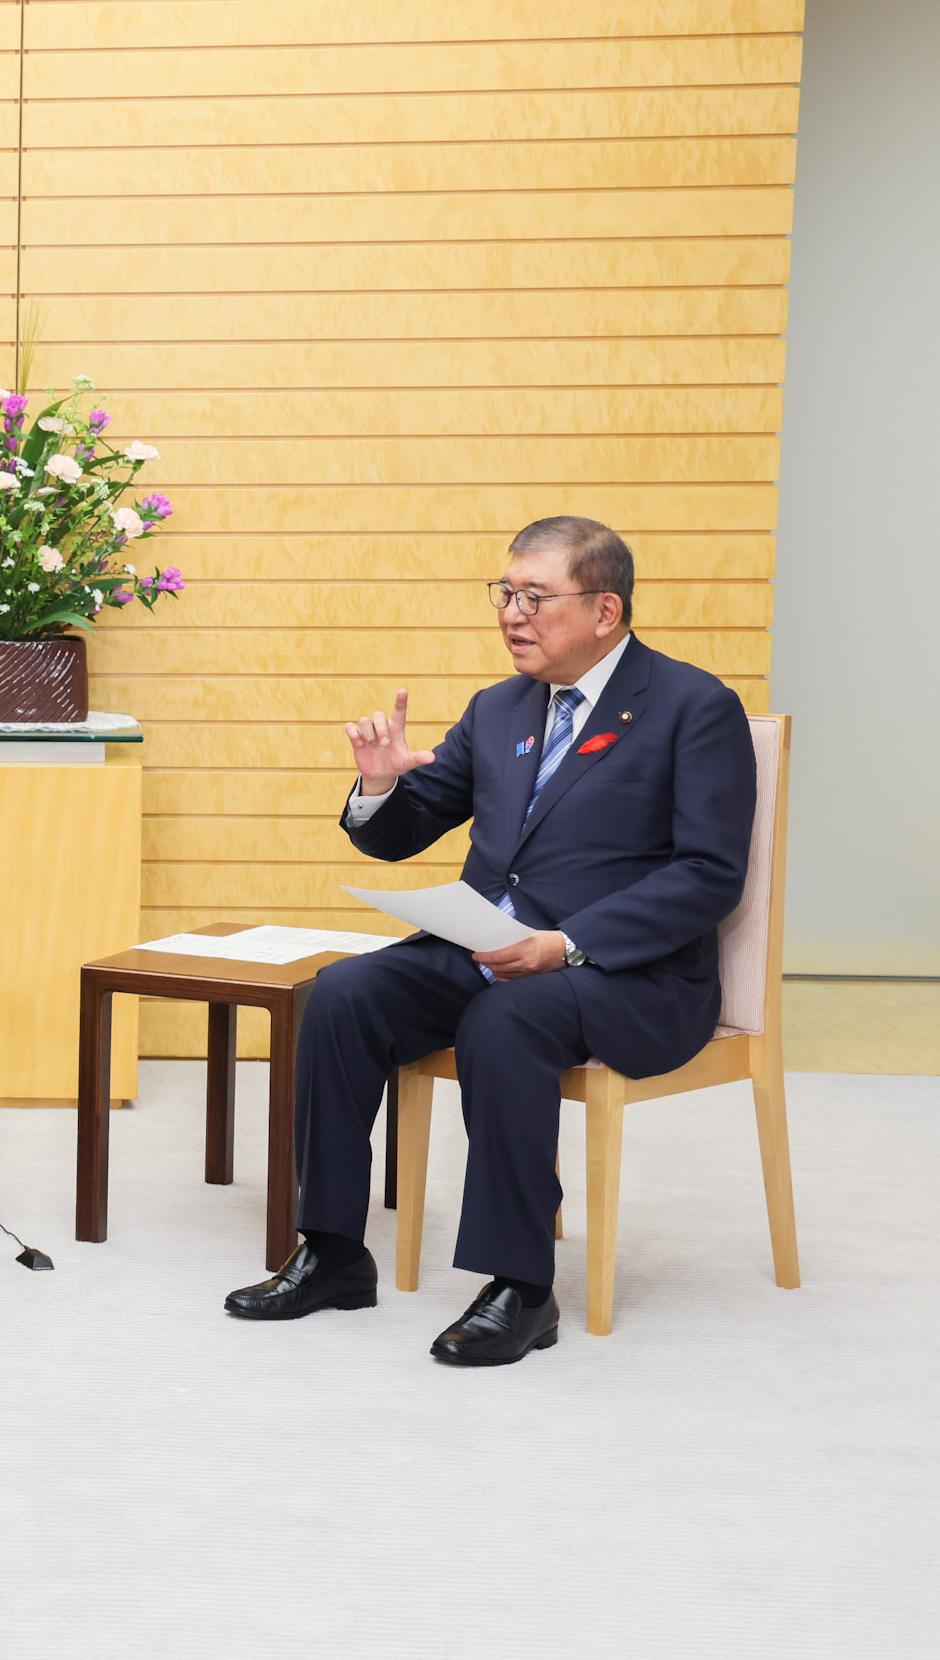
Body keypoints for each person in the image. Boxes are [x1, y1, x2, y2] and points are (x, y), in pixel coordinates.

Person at [225, 517, 755, 1364]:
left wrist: (567, 942)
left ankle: (521, 1286)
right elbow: (402, 832)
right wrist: (377, 786)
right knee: (343, 993)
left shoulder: (693, 706)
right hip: (487, 950)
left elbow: (707, 873)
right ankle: (331, 1250)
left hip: (628, 974)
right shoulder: (499, 706)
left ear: (605, 609)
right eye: (505, 594)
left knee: (506, 1022)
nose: (512, 613)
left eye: (534, 597)